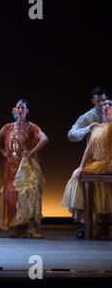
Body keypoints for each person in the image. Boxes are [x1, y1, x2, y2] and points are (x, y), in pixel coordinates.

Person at [0, 99, 48, 238]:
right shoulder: (8, 127)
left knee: (29, 193)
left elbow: (44, 138)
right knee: (13, 195)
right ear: (15, 110)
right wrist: (4, 153)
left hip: (26, 166)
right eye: (18, 108)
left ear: (27, 111)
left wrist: (32, 152)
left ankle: (31, 226)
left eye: (23, 108)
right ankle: (17, 225)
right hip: (11, 166)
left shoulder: (31, 127)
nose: (20, 110)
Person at [62, 99, 112, 239]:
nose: (106, 106)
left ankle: (100, 225)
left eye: (110, 104)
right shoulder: (96, 127)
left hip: (107, 163)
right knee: (76, 176)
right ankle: (87, 220)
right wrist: (81, 166)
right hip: (97, 163)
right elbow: (88, 150)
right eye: (104, 105)